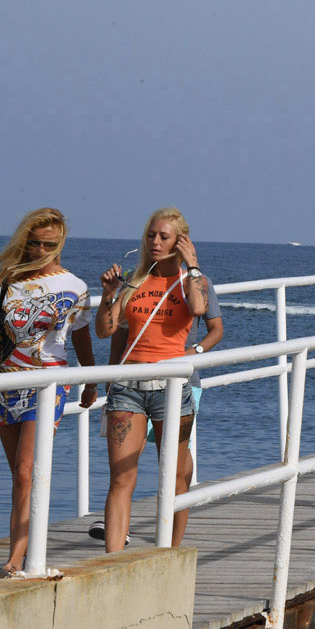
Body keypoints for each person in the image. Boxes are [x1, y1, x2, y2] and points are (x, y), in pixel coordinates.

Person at [96, 207, 209, 553]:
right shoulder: (135, 278)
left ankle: (169, 553)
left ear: (180, 241)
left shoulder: (193, 280)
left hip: (172, 388)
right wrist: (108, 295)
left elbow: (200, 309)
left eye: (164, 236)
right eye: (151, 235)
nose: (155, 242)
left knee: (174, 477)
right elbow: (105, 331)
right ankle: (112, 562)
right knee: (121, 477)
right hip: (128, 387)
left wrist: (192, 265)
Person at [0, 209, 95, 574]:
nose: (40, 249)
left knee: (27, 471)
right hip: (6, 381)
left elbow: (82, 334)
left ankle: (16, 558)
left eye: (49, 244)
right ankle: (23, 548)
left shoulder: (74, 286)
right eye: (34, 242)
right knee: (18, 474)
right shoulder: (9, 278)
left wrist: (90, 379)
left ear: (61, 244)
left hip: (47, 383)